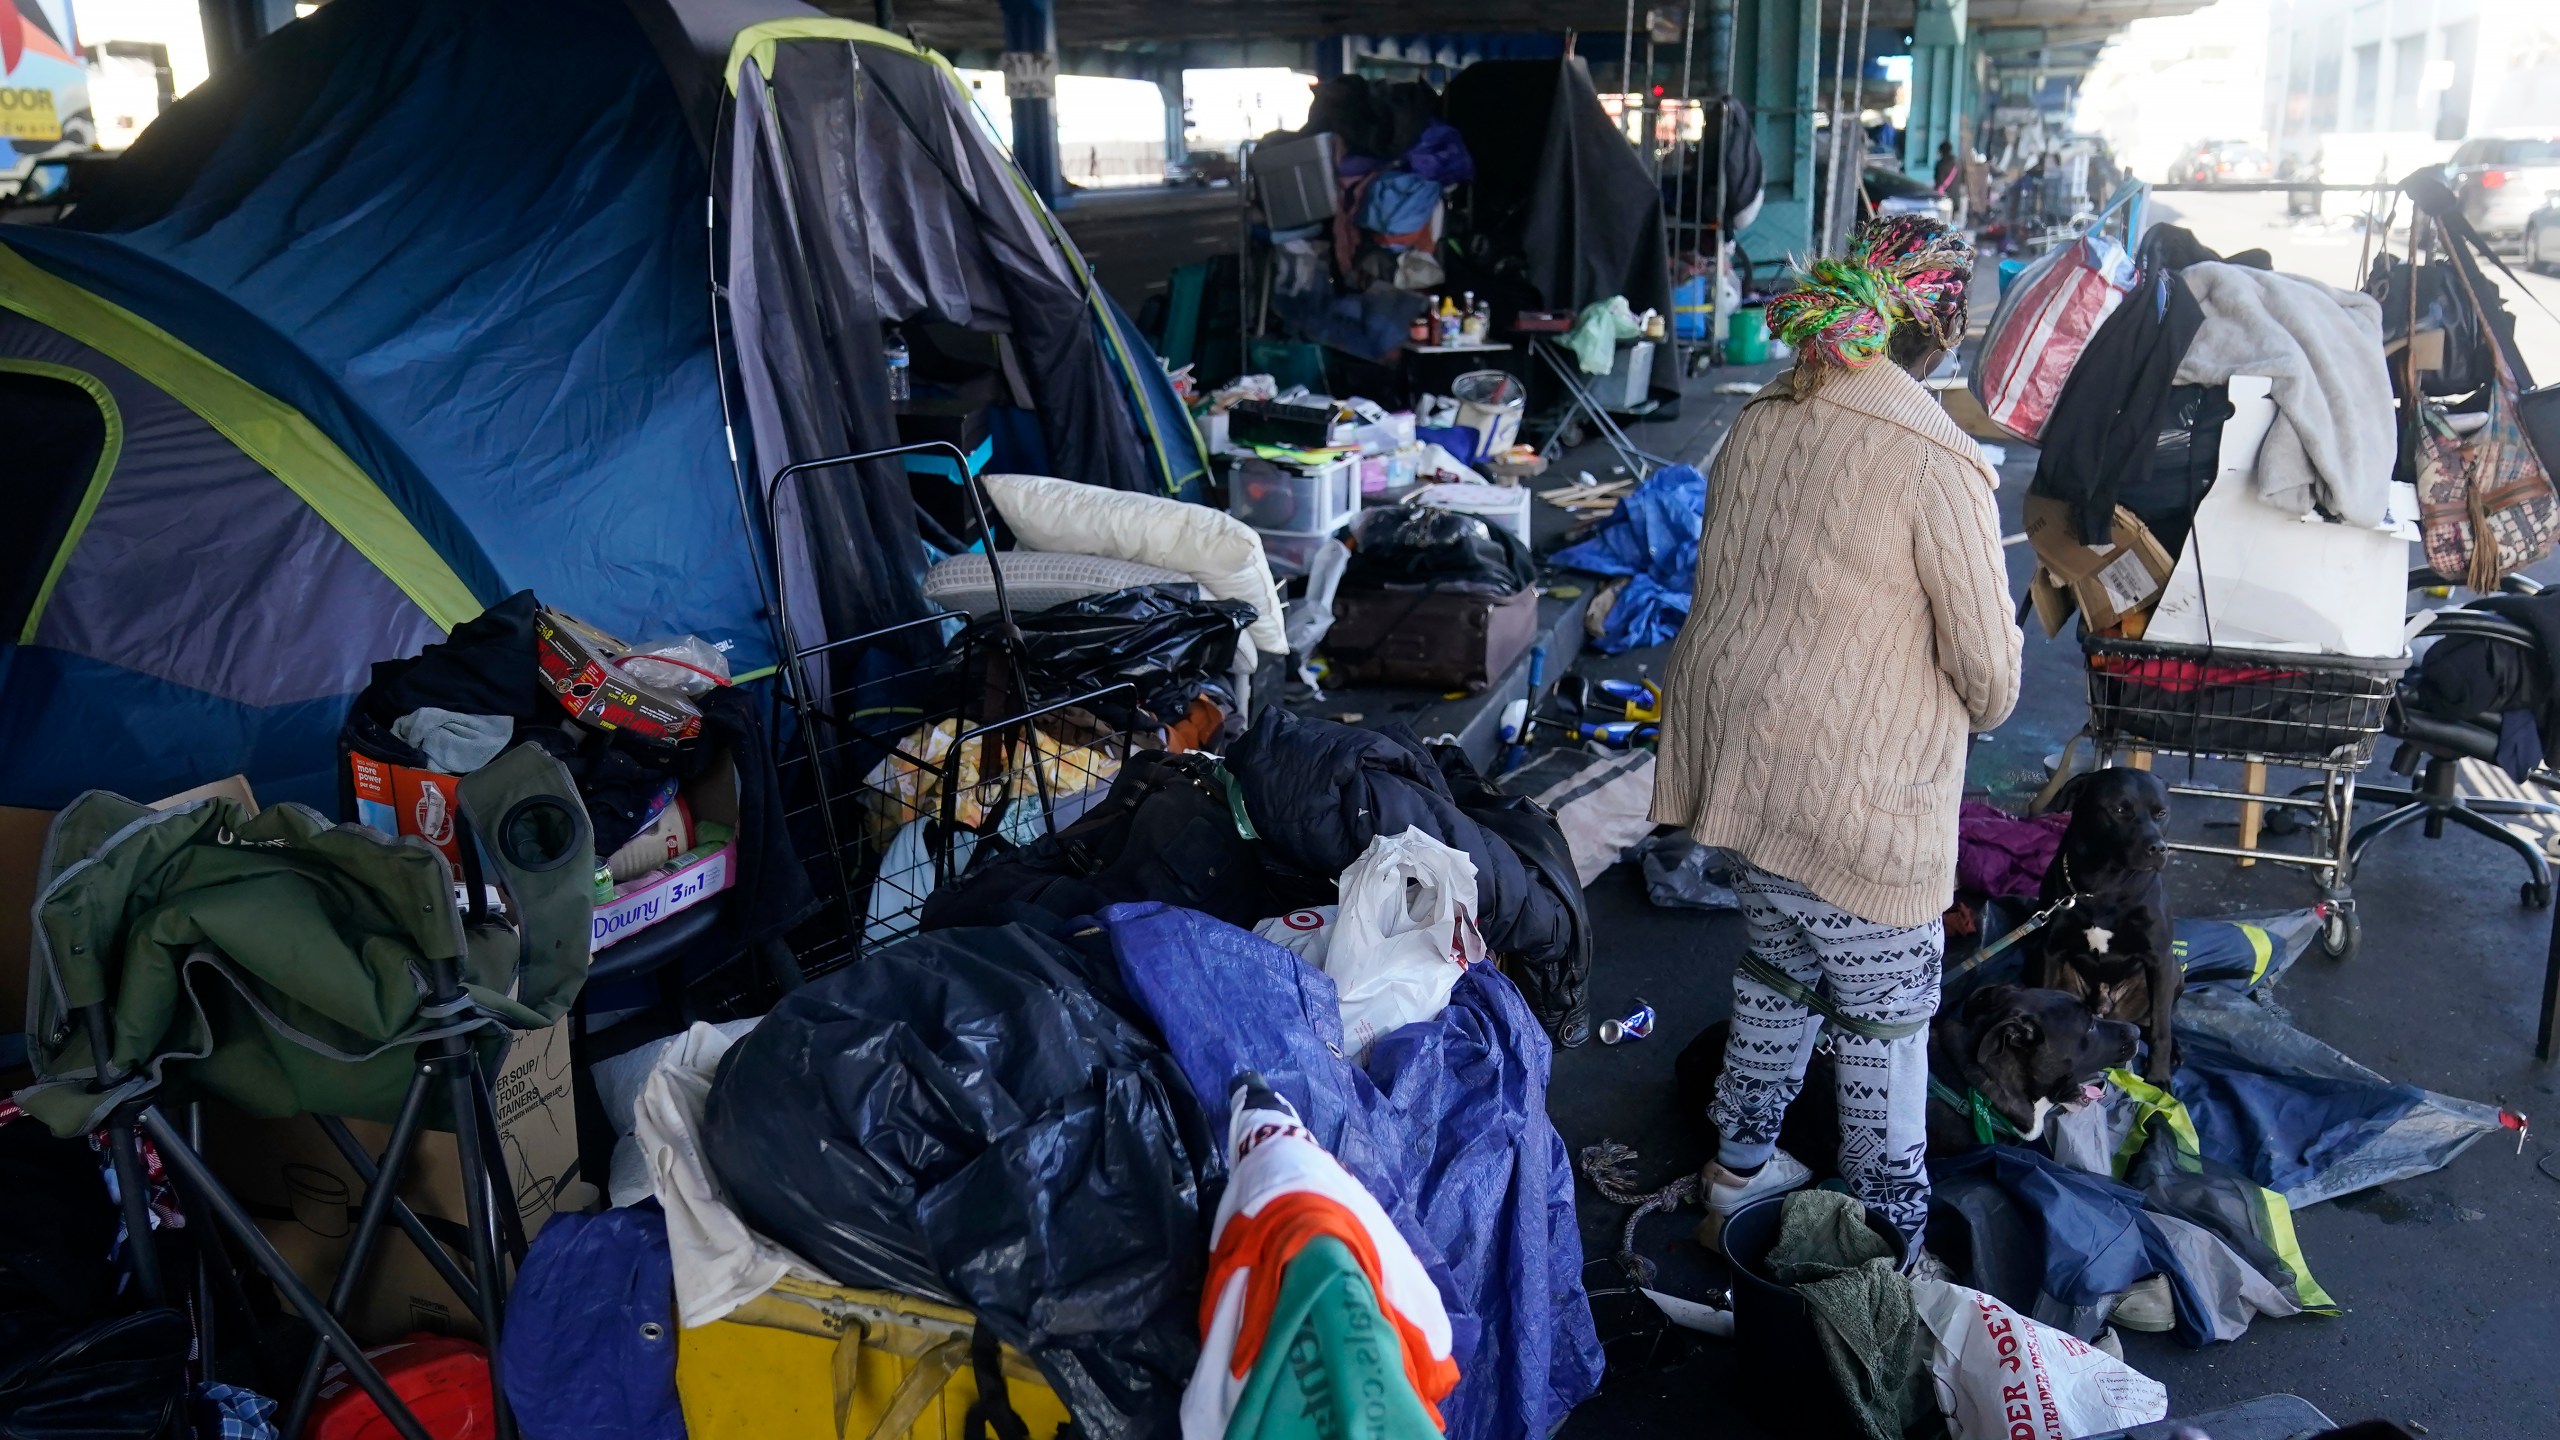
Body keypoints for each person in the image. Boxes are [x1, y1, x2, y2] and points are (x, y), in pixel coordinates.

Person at [1650, 213, 2022, 1265]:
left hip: (1744, 774)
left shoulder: (1764, 411)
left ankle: (1739, 1171)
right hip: (1857, 795)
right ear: (1940, 329)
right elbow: (1990, 685)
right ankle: (1878, 1246)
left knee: (1776, 975)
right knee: (1885, 1029)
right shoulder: (1931, 452)